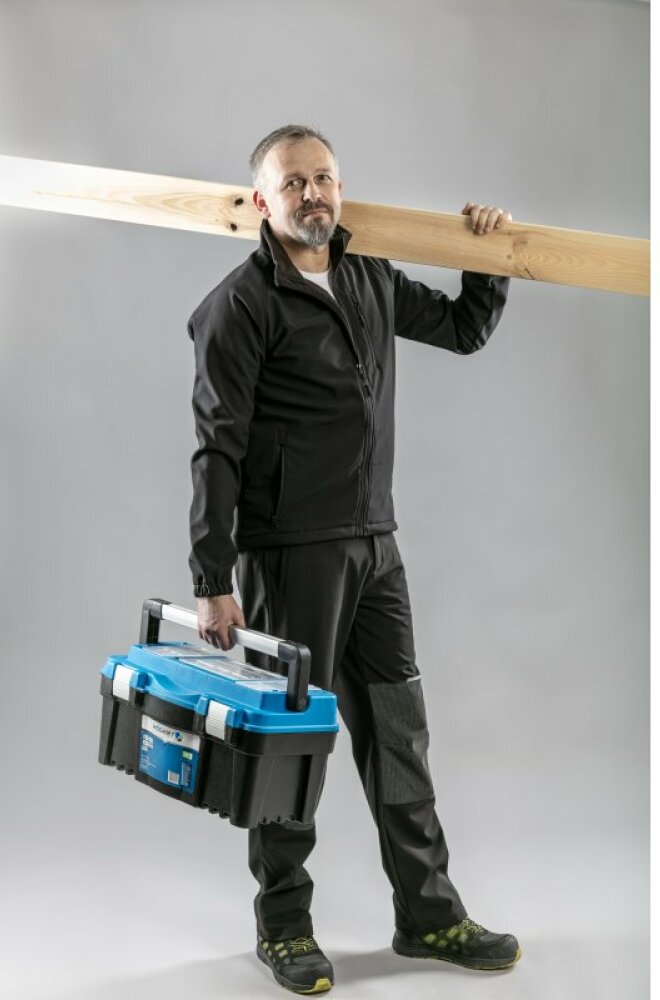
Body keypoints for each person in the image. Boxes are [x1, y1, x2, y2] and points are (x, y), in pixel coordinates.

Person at [187, 124, 519, 995]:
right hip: (292, 554)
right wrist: (213, 580)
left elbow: (463, 329)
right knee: (290, 744)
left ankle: (429, 913)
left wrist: (485, 257)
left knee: (398, 730)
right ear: (262, 201)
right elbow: (216, 448)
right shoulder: (239, 306)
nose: (312, 194)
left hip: (377, 544)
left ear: (341, 187)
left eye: (324, 178)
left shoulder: (369, 276)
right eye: (293, 182)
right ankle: (285, 928)